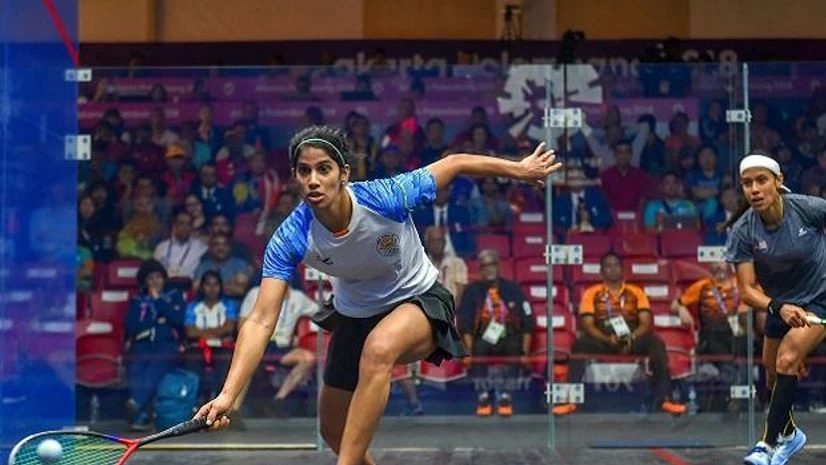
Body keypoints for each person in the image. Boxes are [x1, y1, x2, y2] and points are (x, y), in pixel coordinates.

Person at [194, 125, 561, 465]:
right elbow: (260, 320)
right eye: (304, 171)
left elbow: (456, 162)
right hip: (354, 315)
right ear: (295, 178)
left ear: (344, 173)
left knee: (380, 348)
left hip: (418, 300)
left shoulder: (386, 197)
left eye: (324, 169)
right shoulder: (291, 235)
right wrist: (228, 395)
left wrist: (521, 169)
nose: (314, 180)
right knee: (334, 431)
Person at [724, 152, 826, 465]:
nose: (754, 189)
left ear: (778, 182)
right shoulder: (743, 231)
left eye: (761, 181)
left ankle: (766, 446)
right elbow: (746, 291)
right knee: (772, 375)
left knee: (787, 358)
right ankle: (791, 435)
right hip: (780, 304)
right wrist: (778, 307)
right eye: (747, 183)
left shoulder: (808, 208)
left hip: (820, 297)